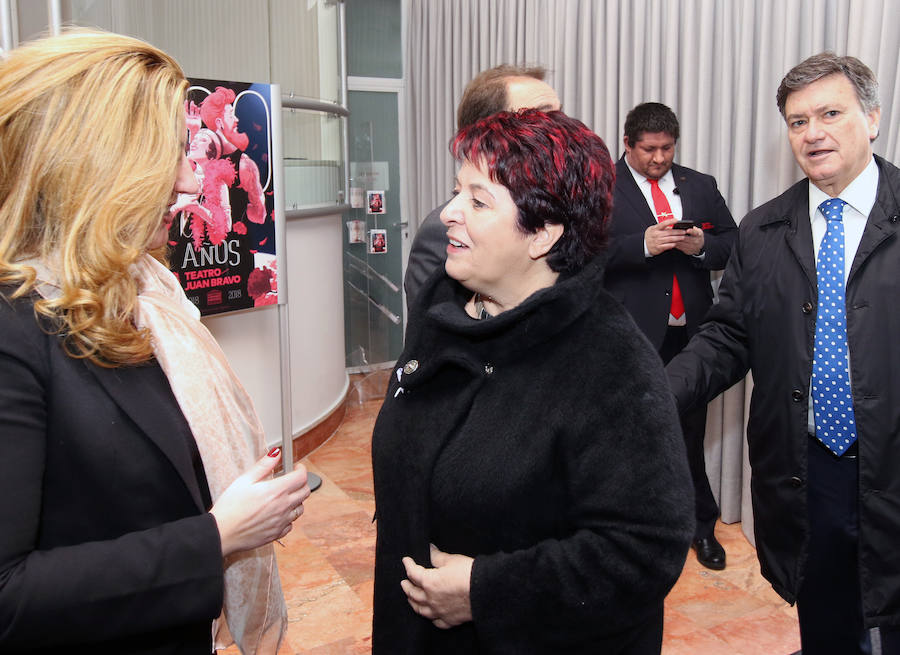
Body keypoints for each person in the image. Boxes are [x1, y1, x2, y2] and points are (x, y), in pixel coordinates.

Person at [0, 30, 311, 654]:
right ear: (95, 166)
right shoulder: (12, 333)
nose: (189, 183)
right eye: (168, 155)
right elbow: (10, 595)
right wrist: (217, 536)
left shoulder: (139, 294)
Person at [372, 109, 694, 654]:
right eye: (457, 192)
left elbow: (645, 548)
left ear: (543, 234)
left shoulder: (609, 362)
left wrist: (488, 592)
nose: (448, 213)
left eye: (477, 200)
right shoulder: (440, 315)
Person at [666, 52, 900, 654]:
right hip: (805, 465)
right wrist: (654, 393)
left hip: (893, 464)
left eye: (830, 113)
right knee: (825, 612)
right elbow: (728, 336)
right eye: (798, 122)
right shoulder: (764, 229)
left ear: (872, 118)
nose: (813, 133)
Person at [603, 102, 737, 570]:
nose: (658, 158)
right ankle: (633, 530)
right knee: (632, 435)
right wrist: (641, 245)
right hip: (631, 334)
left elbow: (734, 242)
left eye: (666, 148)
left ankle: (701, 527)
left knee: (689, 433)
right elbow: (581, 254)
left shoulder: (699, 184)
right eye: (648, 150)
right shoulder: (604, 186)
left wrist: (703, 246)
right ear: (627, 145)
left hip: (692, 334)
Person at [403, 64, 561, 310]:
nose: (562, 128)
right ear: (488, 133)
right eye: (542, 117)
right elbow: (431, 341)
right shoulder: (444, 231)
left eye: (559, 115)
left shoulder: (565, 213)